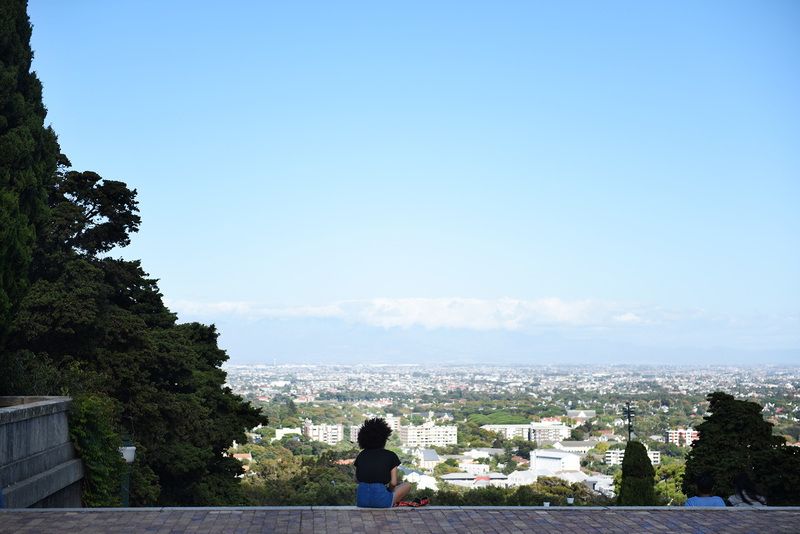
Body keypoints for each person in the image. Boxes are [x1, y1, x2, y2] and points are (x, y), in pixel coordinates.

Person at [354, 418, 411, 508]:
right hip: (381, 501)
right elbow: (393, 483)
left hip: (361, 501)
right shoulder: (390, 456)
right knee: (407, 485)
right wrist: (388, 490)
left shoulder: (361, 455)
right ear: (384, 438)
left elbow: (357, 480)